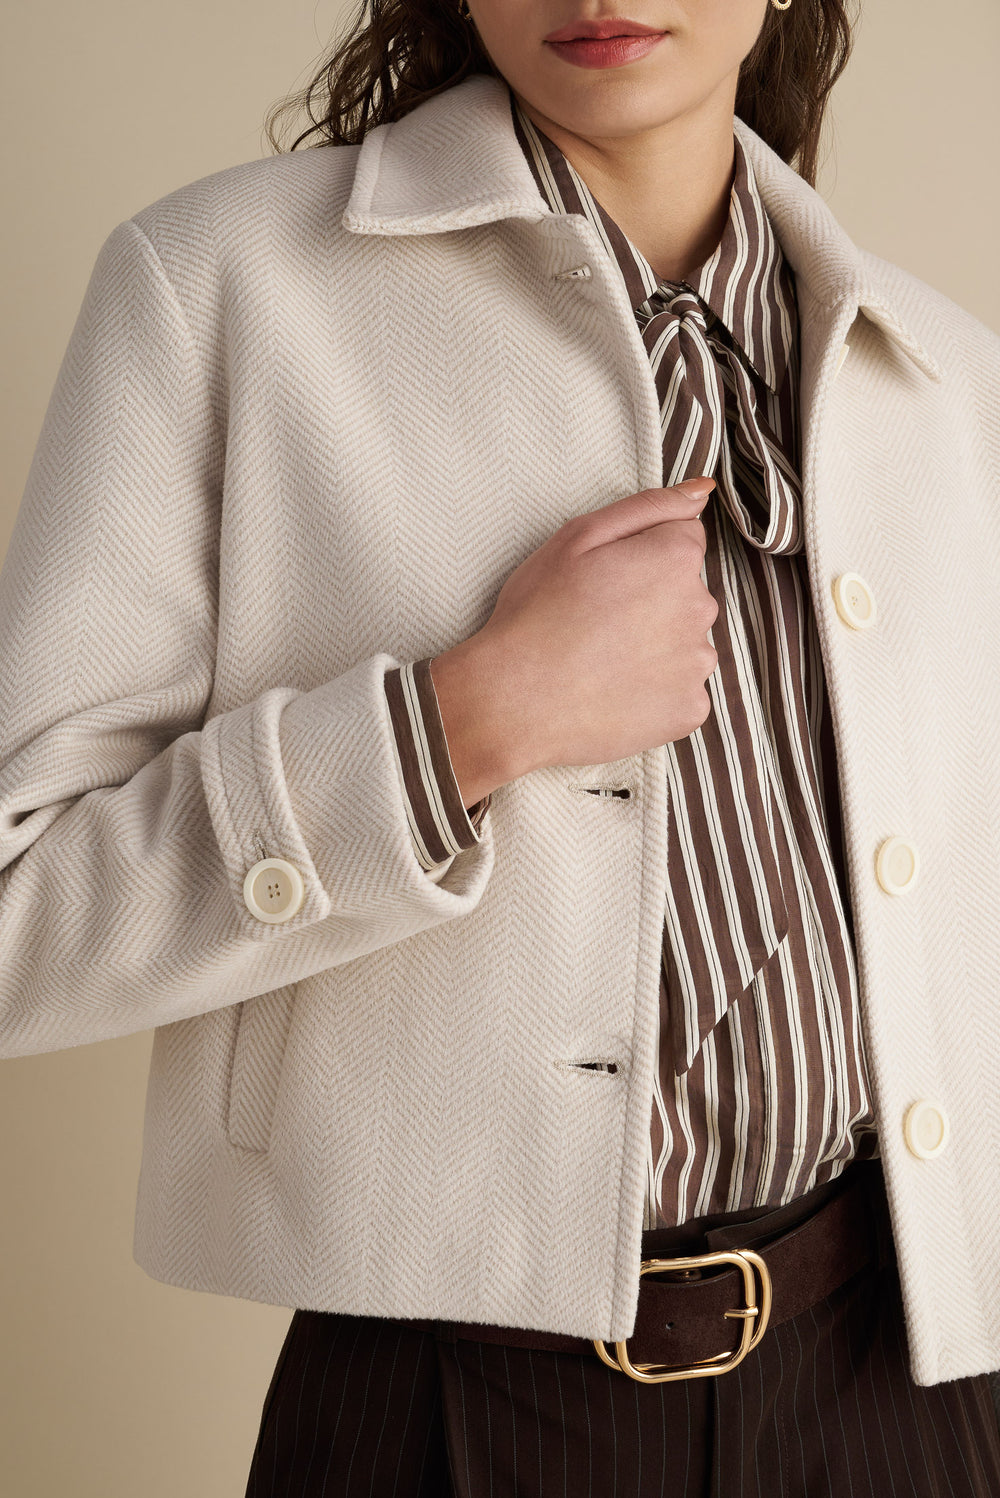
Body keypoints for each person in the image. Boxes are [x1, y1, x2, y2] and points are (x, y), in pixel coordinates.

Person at [1, 0, 999, 1491]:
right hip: (445, 1404)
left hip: (898, 1383)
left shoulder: (946, 374)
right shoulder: (218, 290)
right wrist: (458, 725)